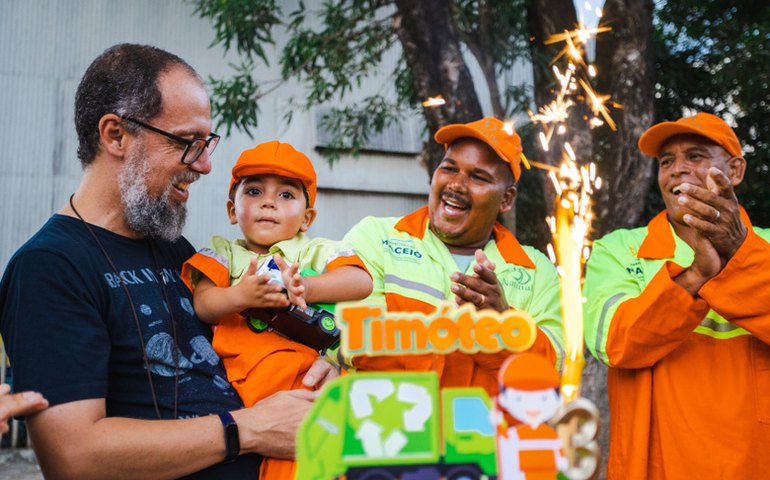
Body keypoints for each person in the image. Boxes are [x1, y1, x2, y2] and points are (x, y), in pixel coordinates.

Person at [0, 44, 336, 479]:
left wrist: (312, 371)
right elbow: (74, 457)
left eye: (207, 143)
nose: (207, 165)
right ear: (115, 135)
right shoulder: (50, 266)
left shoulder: (174, 247)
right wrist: (247, 430)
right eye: (188, 143)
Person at [583, 112, 770, 479]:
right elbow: (614, 343)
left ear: (734, 171)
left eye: (695, 156)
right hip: (655, 466)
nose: (677, 170)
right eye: (667, 161)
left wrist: (738, 250)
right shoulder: (619, 249)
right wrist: (696, 276)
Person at [181, 140, 372, 479]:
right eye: (254, 191)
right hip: (249, 382)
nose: (268, 202)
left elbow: (360, 281)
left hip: (309, 375)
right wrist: (243, 295)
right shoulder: (222, 252)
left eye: (286, 195)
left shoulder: (314, 250)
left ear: (306, 218)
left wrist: (306, 287)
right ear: (231, 210)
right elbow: (204, 304)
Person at [344, 117, 565, 395]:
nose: (457, 184)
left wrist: (502, 321)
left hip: (483, 437)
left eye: (478, 177)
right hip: (387, 431)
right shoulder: (377, 237)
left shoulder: (536, 271)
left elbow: (548, 372)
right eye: (449, 169)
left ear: (506, 199)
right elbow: (348, 338)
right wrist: (475, 342)